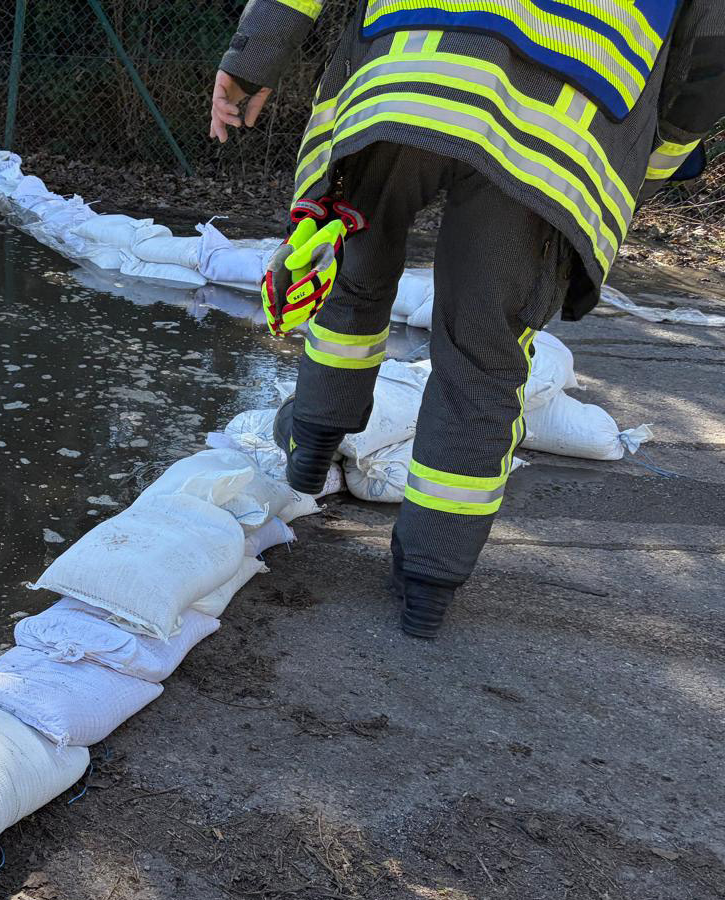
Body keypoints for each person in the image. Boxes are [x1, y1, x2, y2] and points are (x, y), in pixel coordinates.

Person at [210, 0, 725, 637]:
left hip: (409, 68)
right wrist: (653, 157)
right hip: (565, 123)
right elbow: (709, 47)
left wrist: (254, 59)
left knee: (352, 267)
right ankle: (428, 582)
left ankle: (310, 445)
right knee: (484, 351)